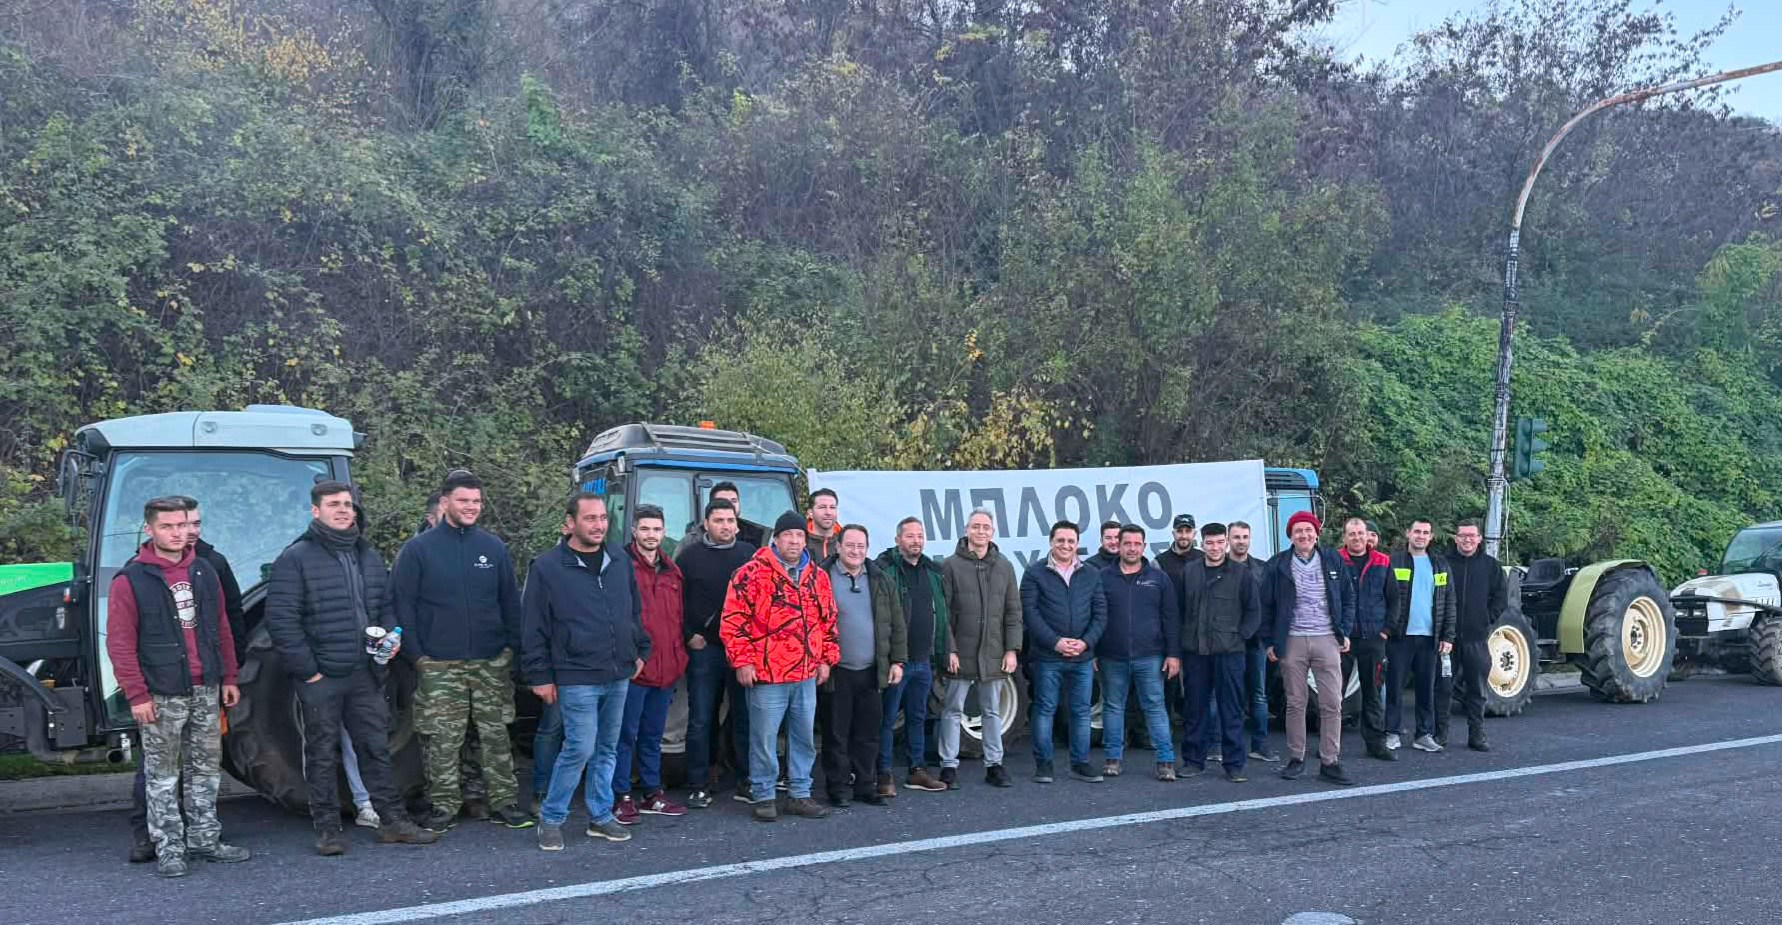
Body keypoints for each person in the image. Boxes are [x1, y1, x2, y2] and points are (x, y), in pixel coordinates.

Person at [265, 481, 437, 854]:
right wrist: (309, 671)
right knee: (321, 753)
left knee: (375, 748)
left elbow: (385, 605)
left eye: (348, 504)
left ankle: (393, 822)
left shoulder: (367, 556)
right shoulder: (295, 558)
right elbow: (282, 621)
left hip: (365, 675)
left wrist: (391, 636)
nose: (344, 510)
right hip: (322, 677)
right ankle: (328, 830)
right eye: (334, 504)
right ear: (316, 511)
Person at [107, 498, 248, 877]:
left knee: (206, 770)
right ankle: (169, 848)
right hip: (161, 693)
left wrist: (229, 677)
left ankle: (205, 839)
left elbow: (221, 628)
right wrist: (137, 694)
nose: (177, 533)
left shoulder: (204, 571)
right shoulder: (131, 580)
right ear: (149, 529)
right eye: (167, 526)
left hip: (206, 688)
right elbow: (120, 644)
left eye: (182, 525)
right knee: (162, 775)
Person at [392, 472, 531, 831]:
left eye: (476, 501)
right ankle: (443, 806)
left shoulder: (493, 548)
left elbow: (510, 602)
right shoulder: (418, 550)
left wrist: (510, 649)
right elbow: (402, 605)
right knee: (442, 739)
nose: (471, 507)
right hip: (438, 662)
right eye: (463, 500)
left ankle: (504, 802)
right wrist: (417, 656)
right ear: (445, 503)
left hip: (491, 661)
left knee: (496, 735)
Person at [523, 493, 648, 850]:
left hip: (617, 672)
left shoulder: (619, 560)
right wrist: (539, 675)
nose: (598, 525)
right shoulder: (547, 567)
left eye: (603, 518)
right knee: (579, 747)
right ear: (570, 523)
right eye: (590, 518)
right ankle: (551, 819)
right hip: (576, 673)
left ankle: (600, 815)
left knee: (607, 748)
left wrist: (639, 649)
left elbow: (633, 610)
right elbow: (533, 625)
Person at [721, 512, 840, 822]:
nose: (794, 541)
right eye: (788, 535)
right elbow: (733, 621)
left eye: (800, 536)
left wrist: (826, 658)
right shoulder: (750, 573)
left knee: (803, 738)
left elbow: (828, 620)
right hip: (767, 674)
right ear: (776, 538)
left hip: (805, 673)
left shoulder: (817, 576)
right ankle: (764, 794)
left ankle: (800, 793)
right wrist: (743, 661)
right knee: (764, 738)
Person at [1260, 511, 1356, 787]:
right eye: (1298, 531)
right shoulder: (1278, 564)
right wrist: (1269, 641)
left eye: (1308, 530)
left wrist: (1344, 631)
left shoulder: (1333, 560)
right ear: (1290, 536)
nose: (1304, 535)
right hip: (1291, 639)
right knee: (1295, 702)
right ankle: (1296, 758)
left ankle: (1330, 761)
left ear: (1317, 533)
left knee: (1332, 703)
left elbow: (1348, 597)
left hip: (1327, 638)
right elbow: (1265, 605)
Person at [675, 498, 759, 808]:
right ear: (706, 524)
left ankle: (746, 780)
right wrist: (689, 635)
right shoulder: (690, 557)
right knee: (701, 718)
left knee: (745, 716)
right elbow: (676, 602)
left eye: (730, 520)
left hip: (742, 650)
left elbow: (761, 601)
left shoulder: (749, 555)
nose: (725, 526)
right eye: (719, 520)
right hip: (705, 649)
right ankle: (698, 783)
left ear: (737, 523)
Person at [612, 505, 690, 824]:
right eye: (644, 529)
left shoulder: (672, 571)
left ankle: (652, 792)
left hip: (666, 669)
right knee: (623, 735)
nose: (651, 535)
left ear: (664, 532)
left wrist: (679, 656)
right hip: (634, 669)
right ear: (634, 531)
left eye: (656, 529)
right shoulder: (619, 566)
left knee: (652, 735)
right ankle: (621, 796)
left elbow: (678, 617)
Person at [938, 509, 1023, 789]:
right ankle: (948, 767)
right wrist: (949, 649)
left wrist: (1012, 649)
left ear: (993, 532)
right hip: (960, 653)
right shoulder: (950, 566)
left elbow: (1013, 612)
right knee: (952, 710)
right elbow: (943, 613)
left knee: (991, 711)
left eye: (986, 527)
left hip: (993, 653)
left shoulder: (1005, 566)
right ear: (966, 530)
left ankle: (994, 765)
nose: (981, 531)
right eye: (976, 526)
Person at [823, 524, 907, 806]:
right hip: (837, 671)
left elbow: (896, 622)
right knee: (836, 734)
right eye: (850, 545)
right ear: (838, 547)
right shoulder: (822, 577)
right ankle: (838, 788)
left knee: (868, 734)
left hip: (872, 670)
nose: (855, 551)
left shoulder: (880, 579)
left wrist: (897, 661)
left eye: (861, 546)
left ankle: (865, 786)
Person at [1023, 521, 1107, 784]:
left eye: (1071, 541)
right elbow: (1030, 614)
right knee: (1045, 709)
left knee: (1081, 711)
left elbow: (1100, 614)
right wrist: (1055, 642)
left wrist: (1086, 643)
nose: (1066, 545)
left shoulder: (1091, 574)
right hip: (1048, 656)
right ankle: (1044, 764)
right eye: (1060, 540)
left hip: (1082, 657)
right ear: (1051, 542)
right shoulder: (1034, 573)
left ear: (1077, 544)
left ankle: (1080, 763)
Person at [1179, 522, 1262, 783]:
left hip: (1230, 653)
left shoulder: (1241, 574)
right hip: (1196, 652)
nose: (1214, 548)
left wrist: (1239, 637)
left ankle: (1234, 764)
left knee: (1231, 710)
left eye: (1219, 542)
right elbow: (1179, 610)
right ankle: (1193, 761)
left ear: (1225, 543)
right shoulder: (1189, 572)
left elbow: (1254, 611)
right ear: (1201, 544)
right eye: (1209, 543)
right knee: (1195, 709)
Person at [1095, 525, 1180, 781]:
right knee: (1113, 707)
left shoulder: (1158, 578)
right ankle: (1112, 759)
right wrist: (1093, 652)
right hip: (1111, 656)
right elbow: (1095, 616)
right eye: (1127, 543)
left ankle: (1165, 761)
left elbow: (1171, 618)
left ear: (1143, 546)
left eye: (1137, 544)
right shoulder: (1102, 577)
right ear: (1119, 546)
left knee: (1155, 707)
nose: (1132, 548)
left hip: (1150, 656)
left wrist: (1173, 654)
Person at [874, 517, 949, 793]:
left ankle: (916, 770)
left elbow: (941, 614)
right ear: (898, 540)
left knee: (918, 717)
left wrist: (945, 649)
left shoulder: (932, 571)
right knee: (887, 719)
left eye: (919, 536)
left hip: (923, 661)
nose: (916, 541)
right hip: (897, 662)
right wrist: (892, 658)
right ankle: (883, 774)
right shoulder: (885, 569)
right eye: (910, 536)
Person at [1383, 519, 1455, 754]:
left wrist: (1448, 636)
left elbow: (1449, 601)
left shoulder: (1440, 565)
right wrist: (1386, 629)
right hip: (1400, 636)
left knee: (1426, 689)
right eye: (1417, 531)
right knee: (1395, 687)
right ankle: (1392, 732)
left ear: (1431, 537)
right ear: (1408, 533)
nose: (1421, 536)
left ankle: (1424, 734)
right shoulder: (1394, 561)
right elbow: (1384, 597)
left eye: (1425, 532)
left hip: (1430, 638)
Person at [1441, 520, 1505, 752]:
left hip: (1476, 639)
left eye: (1471, 536)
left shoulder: (1490, 566)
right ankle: (1440, 734)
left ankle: (1477, 735)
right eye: (1462, 536)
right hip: (1446, 641)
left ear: (1479, 539)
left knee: (1477, 690)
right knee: (1443, 689)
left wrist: (1486, 619)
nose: (1467, 540)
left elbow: (1500, 598)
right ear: (1455, 538)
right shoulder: (1443, 563)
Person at [1339, 517, 1398, 761]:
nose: (1357, 538)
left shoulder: (1383, 561)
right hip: (1343, 639)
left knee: (1373, 693)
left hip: (1374, 638)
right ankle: (1329, 746)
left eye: (1360, 533)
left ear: (1368, 535)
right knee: (1334, 694)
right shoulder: (1335, 561)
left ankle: (1376, 745)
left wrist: (1386, 630)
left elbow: (1394, 599)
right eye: (1352, 534)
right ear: (1344, 537)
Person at [1227, 521, 1277, 762]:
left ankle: (1260, 745)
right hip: (1226, 643)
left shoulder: (1262, 569)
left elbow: (1269, 606)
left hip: (1256, 642)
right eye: (1236, 537)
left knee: (1259, 695)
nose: (1241, 541)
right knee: (1229, 697)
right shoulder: (1219, 566)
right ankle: (1228, 746)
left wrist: (1268, 640)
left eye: (1245, 536)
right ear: (1228, 539)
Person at [679, 481, 769, 550]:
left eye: (733, 501)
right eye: (722, 501)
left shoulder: (760, 536)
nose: (729, 505)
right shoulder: (692, 540)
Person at [805, 488, 843, 563]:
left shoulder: (845, 542)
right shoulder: (800, 542)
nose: (828, 512)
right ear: (810, 513)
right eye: (822, 507)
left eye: (832, 507)